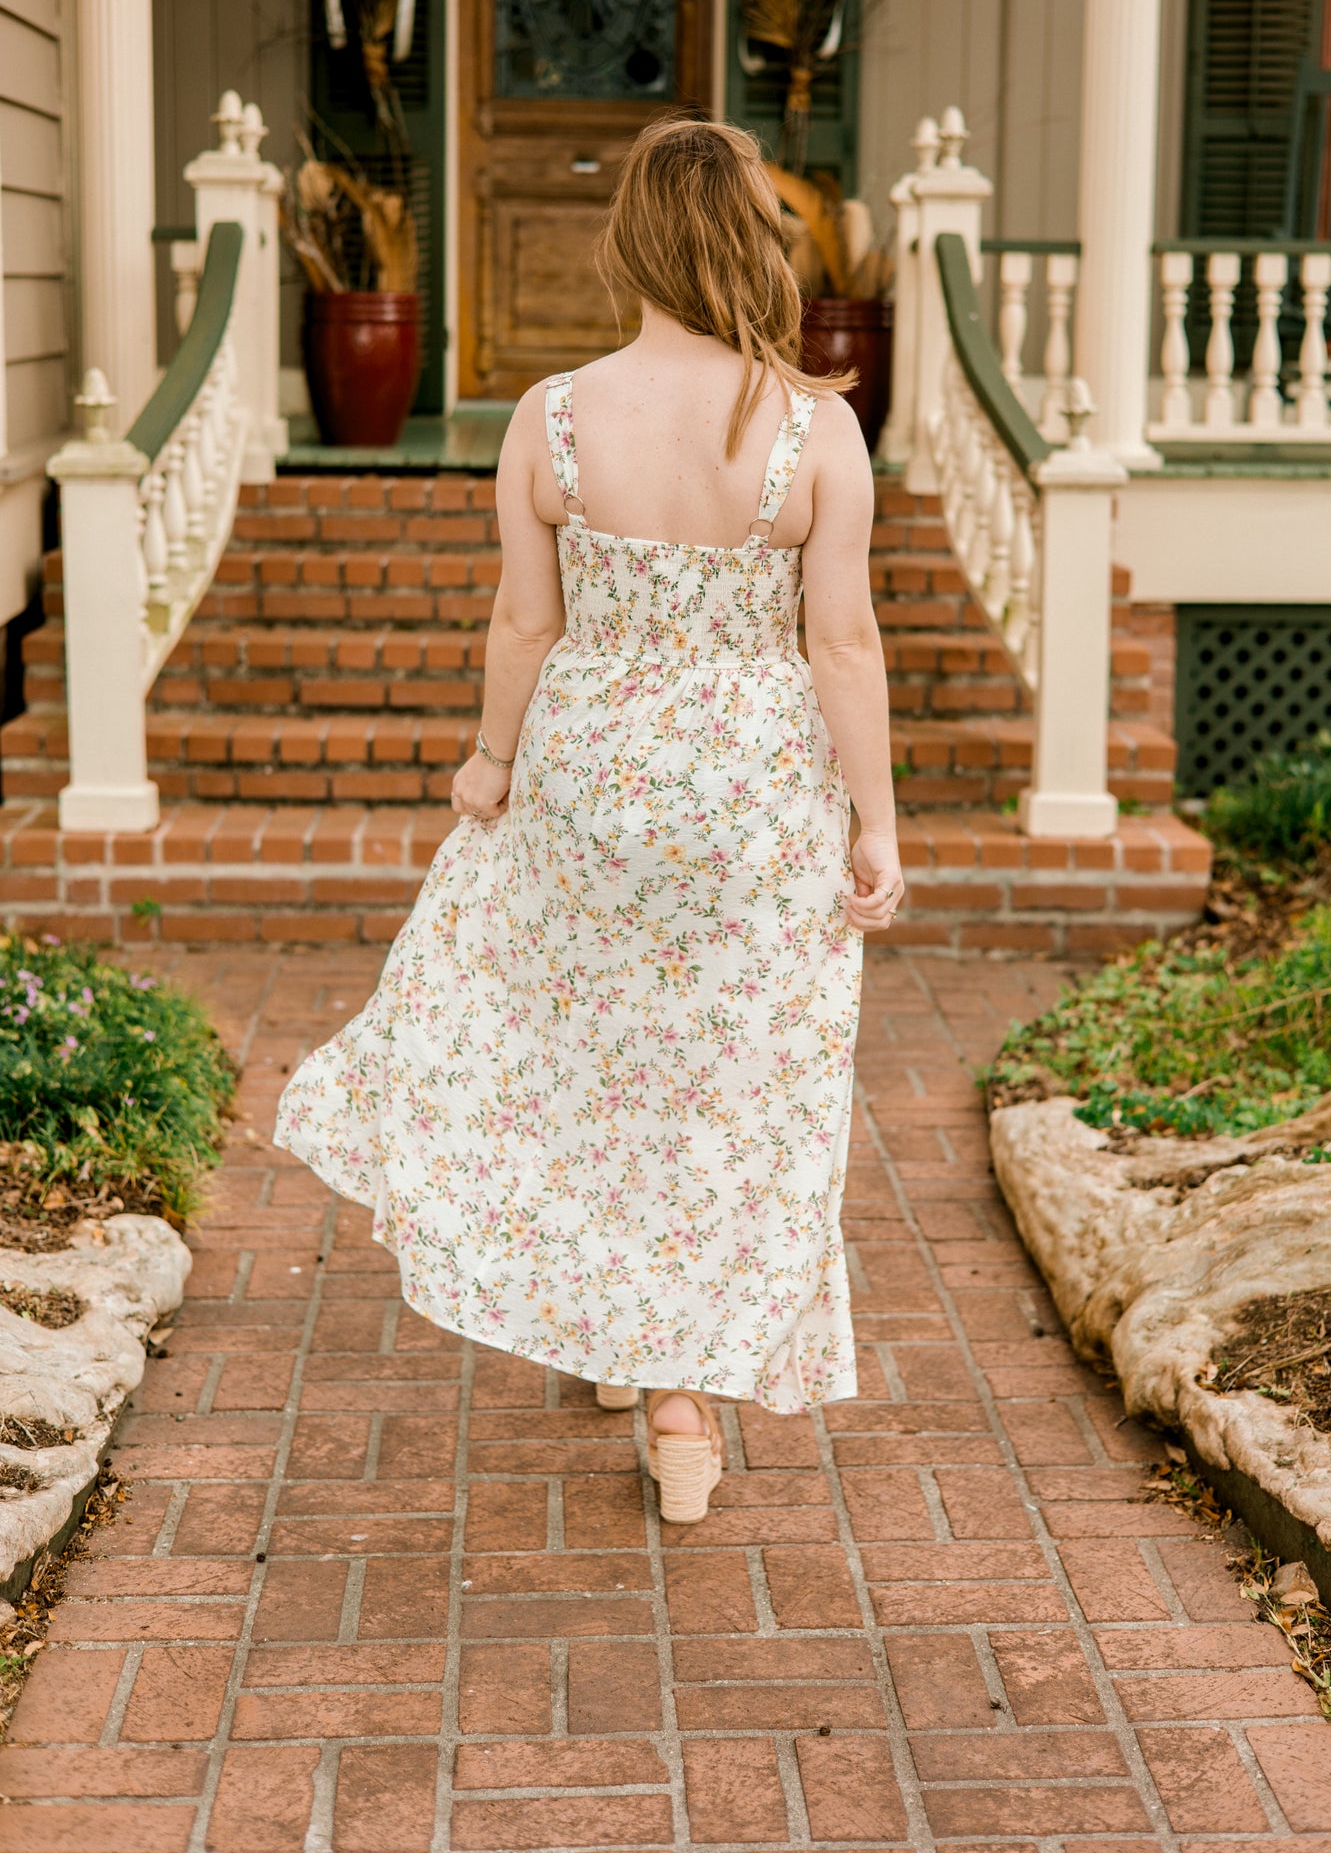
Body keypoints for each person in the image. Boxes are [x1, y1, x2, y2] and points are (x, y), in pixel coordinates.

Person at [274, 116, 902, 1522]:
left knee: (592, 1057)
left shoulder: (553, 415)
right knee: (722, 1087)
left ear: (631, 244)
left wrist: (490, 762)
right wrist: (874, 822)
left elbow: (524, 619)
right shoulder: (817, 427)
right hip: (748, 793)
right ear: (754, 244)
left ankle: (623, 1337)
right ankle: (680, 1406)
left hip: (595, 777)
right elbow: (842, 645)